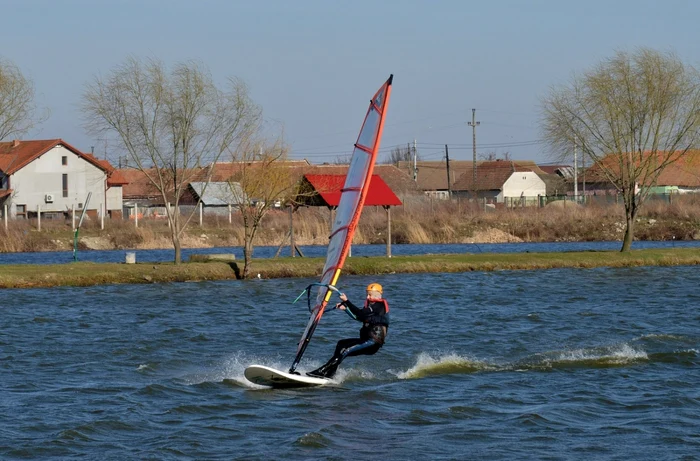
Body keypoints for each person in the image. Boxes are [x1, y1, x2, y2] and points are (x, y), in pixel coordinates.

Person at [307, 282, 390, 379]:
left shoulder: (379, 306)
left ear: (376, 295)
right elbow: (358, 317)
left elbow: (360, 313)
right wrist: (346, 309)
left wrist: (346, 301)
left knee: (344, 350)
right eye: (367, 294)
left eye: (370, 295)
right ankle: (330, 373)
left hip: (372, 342)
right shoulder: (371, 307)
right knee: (341, 344)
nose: (367, 297)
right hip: (366, 340)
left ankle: (321, 371)